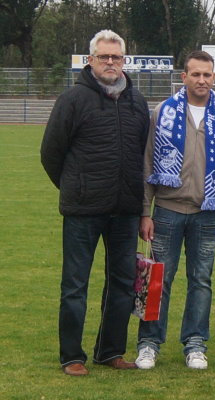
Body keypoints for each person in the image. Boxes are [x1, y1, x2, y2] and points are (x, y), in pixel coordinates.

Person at [41, 30, 150, 376]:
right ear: (90, 60)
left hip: (125, 211)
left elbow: (142, 154)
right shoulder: (73, 99)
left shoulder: (137, 102)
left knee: (122, 283)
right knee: (75, 284)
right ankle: (72, 356)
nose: (110, 63)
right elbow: (50, 154)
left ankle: (110, 351)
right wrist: (76, 187)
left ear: (124, 61)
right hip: (83, 211)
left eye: (116, 58)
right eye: (103, 57)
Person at [134, 50, 215, 370]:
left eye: (207, 75)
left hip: (208, 214)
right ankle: (149, 343)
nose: (201, 80)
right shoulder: (162, 113)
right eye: (195, 74)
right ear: (183, 77)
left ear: (214, 78)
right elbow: (147, 164)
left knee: (201, 280)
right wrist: (146, 211)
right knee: (158, 279)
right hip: (166, 210)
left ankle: (195, 343)